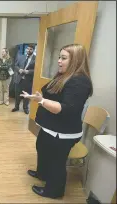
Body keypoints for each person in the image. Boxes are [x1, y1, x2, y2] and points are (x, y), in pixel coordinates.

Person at [21, 44, 93, 199]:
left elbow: (64, 108)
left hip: (63, 132)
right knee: (41, 147)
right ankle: (42, 173)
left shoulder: (80, 82)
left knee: (56, 162)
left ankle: (54, 191)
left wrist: (41, 101)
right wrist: (37, 98)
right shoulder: (64, 75)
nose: (59, 61)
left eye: (64, 58)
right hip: (51, 127)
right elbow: (51, 94)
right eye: (59, 57)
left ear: (76, 60)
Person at [13, 44, 36, 114]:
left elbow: (37, 70)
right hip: (19, 79)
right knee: (17, 95)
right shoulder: (21, 57)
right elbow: (15, 65)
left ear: (33, 50)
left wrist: (28, 71)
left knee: (27, 96)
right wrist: (19, 69)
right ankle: (16, 107)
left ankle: (25, 108)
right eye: (27, 48)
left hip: (28, 81)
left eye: (30, 49)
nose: (28, 50)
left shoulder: (36, 59)